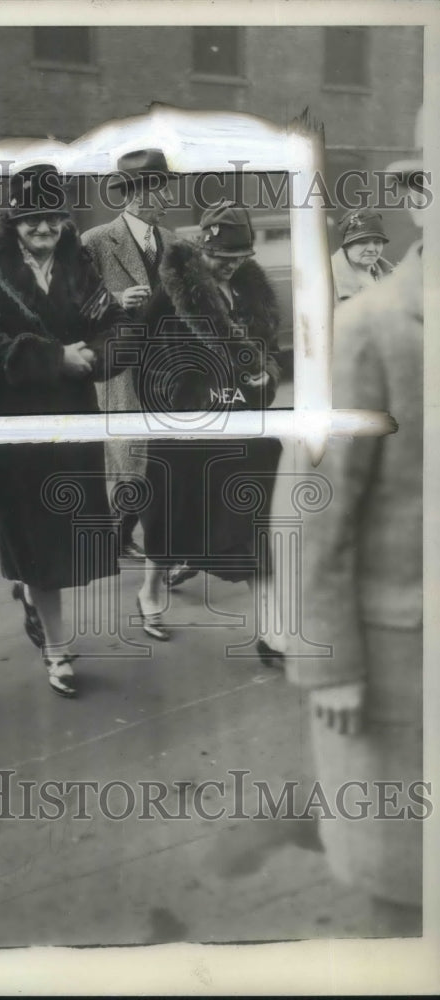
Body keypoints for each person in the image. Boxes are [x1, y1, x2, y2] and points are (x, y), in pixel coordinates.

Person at [288, 159, 423, 933]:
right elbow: (314, 506)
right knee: (404, 888)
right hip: (400, 664)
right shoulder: (369, 326)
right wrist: (329, 663)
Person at [0, 163, 128, 697]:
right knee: (33, 535)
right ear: (12, 220)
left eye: (53, 217)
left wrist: (95, 357)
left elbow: (112, 327)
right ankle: (57, 649)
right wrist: (55, 358)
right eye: (32, 218)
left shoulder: (78, 266)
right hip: (12, 424)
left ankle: (34, 597)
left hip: (71, 417)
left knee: (62, 533)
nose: (44, 228)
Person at [135, 201, 284, 668]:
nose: (230, 265)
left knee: (255, 525)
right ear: (203, 247)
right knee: (170, 517)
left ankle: (272, 631)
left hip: (241, 429)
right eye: (222, 256)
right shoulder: (171, 293)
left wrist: (266, 375)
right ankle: (150, 587)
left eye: (239, 257)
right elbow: (149, 360)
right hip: (185, 428)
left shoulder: (251, 293)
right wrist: (196, 395)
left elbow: (269, 351)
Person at [82, 149, 175, 560]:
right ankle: (117, 534)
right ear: (138, 193)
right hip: (120, 367)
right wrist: (117, 298)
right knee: (129, 452)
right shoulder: (96, 241)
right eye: (162, 189)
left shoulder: (173, 242)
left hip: (164, 366)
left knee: (159, 453)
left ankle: (123, 533)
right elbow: (74, 304)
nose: (169, 198)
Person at [331, 208, 393, 301]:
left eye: (377, 242)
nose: (371, 249)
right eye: (363, 242)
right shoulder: (327, 280)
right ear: (346, 245)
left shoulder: (393, 275)